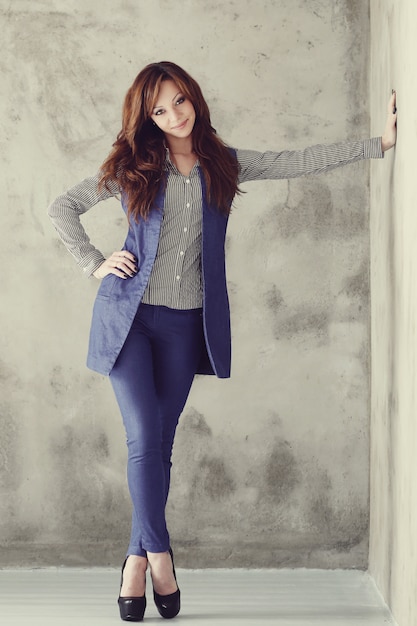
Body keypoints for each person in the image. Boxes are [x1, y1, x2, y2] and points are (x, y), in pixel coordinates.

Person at [48, 61, 397, 622]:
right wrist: (95, 264)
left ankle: (134, 555)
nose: (174, 116)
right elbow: (61, 207)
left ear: (194, 98)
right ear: (148, 118)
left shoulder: (223, 164)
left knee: (161, 444)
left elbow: (297, 161)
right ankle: (158, 556)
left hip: (186, 326)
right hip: (129, 321)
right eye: (160, 110)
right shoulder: (135, 166)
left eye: (179, 102)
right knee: (142, 437)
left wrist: (378, 144)